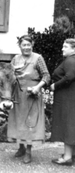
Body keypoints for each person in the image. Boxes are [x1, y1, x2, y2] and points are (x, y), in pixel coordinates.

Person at [7, 35, 50, 164]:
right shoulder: (15, 59)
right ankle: (20, 147)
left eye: (28, 45)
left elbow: (46, 76)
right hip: (18, 95)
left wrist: (37, 87)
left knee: (30, 122)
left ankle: (28, 151)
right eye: (24, 45)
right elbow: (10, 75)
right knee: (18, 120)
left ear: (32, 45)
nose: (26, 47)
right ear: (20, 46)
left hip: (32, 95)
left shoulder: (38, 58)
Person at [50, 38, 75, 166]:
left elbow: (69, 77)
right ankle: (71, 155)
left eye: (65, 47)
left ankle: (67, 157)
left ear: (73, 49)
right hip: (70, 96)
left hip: (68, 98)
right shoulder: (71, 60)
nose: (62, 49)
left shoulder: (70, 60)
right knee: (71, 124)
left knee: (68, 125)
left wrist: (55, 85)